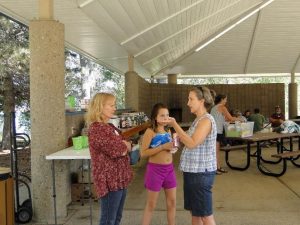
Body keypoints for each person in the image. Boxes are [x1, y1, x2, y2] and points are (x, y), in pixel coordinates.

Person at [166, 86, 217, 225]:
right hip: (193, 172)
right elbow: (185, 138)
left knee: (206, 215)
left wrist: (175, 125)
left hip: (201, 174)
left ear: (201, 101)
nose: (188, 103)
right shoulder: (198, 120)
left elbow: (192, 142)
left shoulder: (206, 120)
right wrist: (175, 143)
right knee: (195, 213)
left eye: (191, 99)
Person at [86, 93, 133, 225]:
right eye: (111, 105)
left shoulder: (110, 127)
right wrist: (125, 147)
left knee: (116, 218)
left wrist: (125, 146)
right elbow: (119, 149)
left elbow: (126, 144)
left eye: (114, 105)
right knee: (108, 220)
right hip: (109, 181)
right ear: (100, 107)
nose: (114, 108)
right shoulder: (97, 129)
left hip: (120, 179)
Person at [141, 103, 176, 225]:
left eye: (167, 115)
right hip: (155, 170)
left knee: (172, 202)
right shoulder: (150, 132)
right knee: (151, 204)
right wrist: (162, 147)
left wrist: (173, 148)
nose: (166, 118)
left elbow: (169, 149)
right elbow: (143, 153)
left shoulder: (168, 130)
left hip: (169, 170)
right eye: (162, 115)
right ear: (155, 117)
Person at [210, 94, 241, 175]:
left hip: (214, 131)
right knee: (216, 151)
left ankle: (218, 167)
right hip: (216, 131)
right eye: (225, 99)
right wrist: (240, 119)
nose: (226, 101)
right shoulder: (222, 107)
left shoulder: (214, 108)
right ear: (222, 99)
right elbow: (230, 118)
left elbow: (226, 119)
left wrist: (234, 120)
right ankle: (216, 168)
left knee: (215, 151)